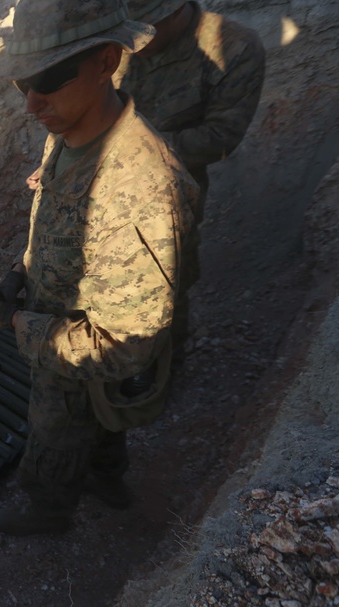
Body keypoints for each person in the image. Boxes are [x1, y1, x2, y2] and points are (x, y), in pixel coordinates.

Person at [0, 0, 199, 535]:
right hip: (60, 328)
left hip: (77, 353)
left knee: (56, 437)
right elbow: (57, 223)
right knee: (99, 426)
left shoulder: (140, 192)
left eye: (50, 77)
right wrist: (20, 279)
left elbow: (126, 346)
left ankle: (51, 513)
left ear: (107, 60)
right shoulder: (72, 130)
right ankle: (106, 479)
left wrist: (13, 322)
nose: (33, 103)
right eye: (23, 83)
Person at [116, 0, 266, 354]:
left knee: (167, 279)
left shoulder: (235, 47)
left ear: (174, 11)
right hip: (102, 179)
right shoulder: (117, 31)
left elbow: (221, 138)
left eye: (144, 28)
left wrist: (128, 150)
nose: (132, 43)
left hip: (172, 189)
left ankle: (165, 357)